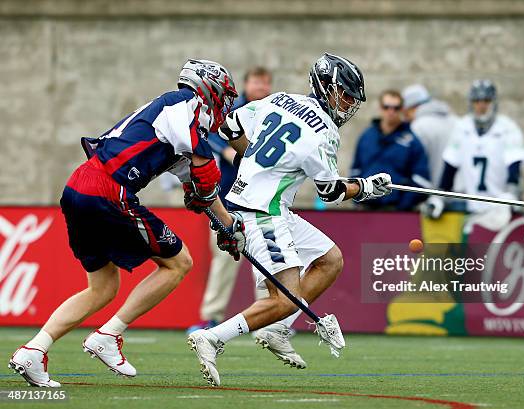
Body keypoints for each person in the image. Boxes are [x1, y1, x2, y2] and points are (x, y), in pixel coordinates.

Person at [8, 59, 246, 387]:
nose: (224, 105)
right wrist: (224, 221)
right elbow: (205, 174)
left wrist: (226, 224)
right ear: (207, 89)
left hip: (79, 185)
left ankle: (34, 350)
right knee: (179, 262)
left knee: (103, 287)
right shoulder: (183, 104)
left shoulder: (174, 119)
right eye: (223, 97)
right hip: (108, 189)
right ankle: (110, 334)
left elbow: (195, 186)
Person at [187, 53, 392, 386]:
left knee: (330, 260)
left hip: (272, 206)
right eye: (345, 95)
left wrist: (255, 161)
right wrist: (366, 187)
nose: (349, 104)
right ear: (325, 87)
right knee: (284, 298)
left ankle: (277, 328)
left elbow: (229, 127)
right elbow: (331, 192)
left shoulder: (281, 99)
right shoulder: (325, 131)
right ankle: (214, 337)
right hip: (261, 211)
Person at [188, 67, 273, 333]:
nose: (261, 87)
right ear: (247, 84)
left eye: (265, 82)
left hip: (261, 199)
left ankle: (268, 318)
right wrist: (225, 149)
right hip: (228, 198)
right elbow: (208, 130)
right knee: (223, 259)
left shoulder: (271, 111)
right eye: (256, 81)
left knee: (267, 260)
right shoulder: (231, 108)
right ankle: (211, 316)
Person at [425, 79, 524, 218]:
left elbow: (514, 170)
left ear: (494, 103)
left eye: (486, 101)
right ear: (471, 103)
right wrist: (439, 197)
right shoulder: (462, 127)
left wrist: (511, 195)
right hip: (472, 208)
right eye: (477, 101)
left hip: (501, 207)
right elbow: (449, 170)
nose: (481, 106)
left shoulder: (507, 128)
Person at [350, 89, 430, 210]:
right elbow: (355, 171)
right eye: (386, 107)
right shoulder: (366, 136)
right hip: (365, 209)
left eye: (396, 108)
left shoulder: (412, 142)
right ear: (380, 108)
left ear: (402, 109)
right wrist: (357, 200)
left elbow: (422, 181)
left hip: (396, 211)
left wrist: (402, 206)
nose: (391, 111)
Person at [409, 86, 458, 187]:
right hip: (462, 193)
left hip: (434, 192)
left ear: (412, 108)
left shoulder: (418, 126)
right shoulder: (456, 120)